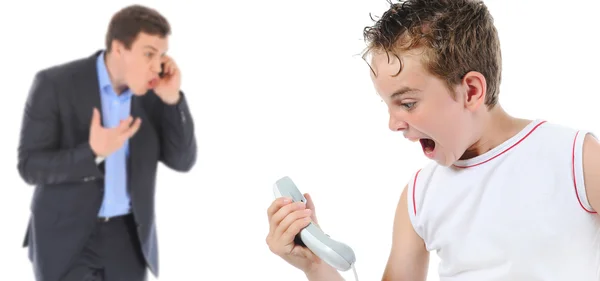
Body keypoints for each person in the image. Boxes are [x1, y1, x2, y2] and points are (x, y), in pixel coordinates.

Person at [265, 0, 600, 280]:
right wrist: (317, 264)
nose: (394, 123)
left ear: (471, 91)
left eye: (407, 103)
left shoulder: (575, 158)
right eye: (388, 105)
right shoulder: (419, 196)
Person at [17, 4, 196, 281]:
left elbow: (182, 161)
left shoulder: (154, 93)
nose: (157, 65)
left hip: (128, 238)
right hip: (66, 238)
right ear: (119, 49)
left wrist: (173, 100)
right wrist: (92, 153)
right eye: (148, 53)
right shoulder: (54, 84)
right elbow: (30, 166)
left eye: (162, 55)